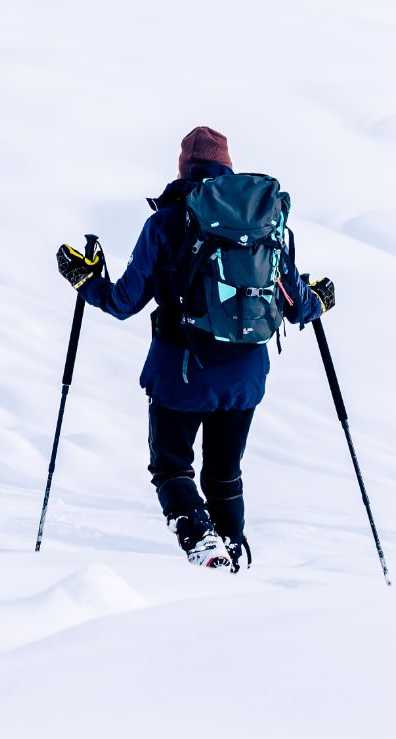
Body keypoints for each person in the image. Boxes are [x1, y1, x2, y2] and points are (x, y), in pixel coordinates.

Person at [57, 126, 335, 571]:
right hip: (245, 378)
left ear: (184, 166)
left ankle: (203, 546)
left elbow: (123, 303)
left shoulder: (167, 222)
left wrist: (85, 280)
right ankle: (232, 554)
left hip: (180, 372)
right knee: (224, 474)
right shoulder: (268, 224)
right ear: (228, 167)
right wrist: (320, 298)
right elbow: (299, 305)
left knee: (171, 468)